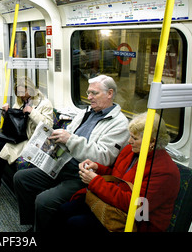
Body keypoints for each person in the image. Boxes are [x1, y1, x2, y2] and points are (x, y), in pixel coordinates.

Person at [13, 75, 130, 231]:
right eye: (88, 93)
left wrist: (70, 140)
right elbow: (69, 132)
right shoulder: (86, 112)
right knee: (21, 178)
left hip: (82, 174)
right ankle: (34, 224)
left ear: (109, 93)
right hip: (62, 163)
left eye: (94, 93)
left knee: (44, 201)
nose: (89, 97)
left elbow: (104, 157)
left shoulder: (119, 123)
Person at [58, 112, 180, 232]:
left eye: (135, 138)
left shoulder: (164, 172)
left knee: (75, 223)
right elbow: (117, 176)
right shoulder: (131, 150)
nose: (129, 141)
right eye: (130, 136)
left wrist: (95, 181)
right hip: (113, 204)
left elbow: (135, 205)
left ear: (152, 142)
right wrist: (97, 168)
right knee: (64, 209)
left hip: (136, 221)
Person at [0, 77, 53, 201]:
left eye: (23, 92)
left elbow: (48, 126)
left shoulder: (44, 103)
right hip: (18, 136)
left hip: (31, 140)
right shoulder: (21, 101)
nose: (21, 96)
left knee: (0, 148)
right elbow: (15, 122)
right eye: (19, 93)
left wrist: (32, 112)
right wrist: (7, 113)